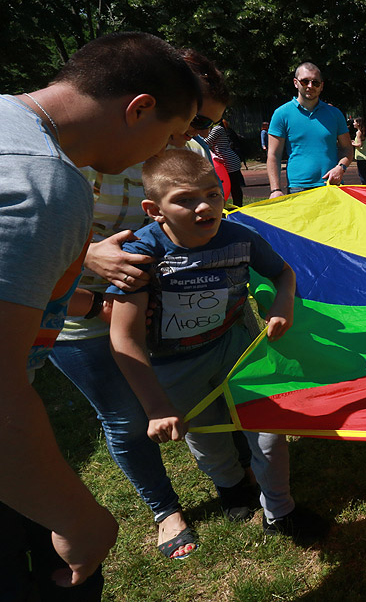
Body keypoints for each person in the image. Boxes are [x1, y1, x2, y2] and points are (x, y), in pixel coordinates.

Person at [0, 32, 200, 597]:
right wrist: (81, 521)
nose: (159, 155)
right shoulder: (44, 183)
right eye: (167, 135)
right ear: (138, 109)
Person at [48, 49, 232, 563]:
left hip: (150, 311)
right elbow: (25, 245)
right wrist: (88, 259)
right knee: (126, 417)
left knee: (176, 393)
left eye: (206, 126)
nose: (193, 137)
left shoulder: (174, 150)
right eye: (191, 120)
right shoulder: (74, 153)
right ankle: (165, 509)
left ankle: (222, 463)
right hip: (76, 316)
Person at [107, 149, 326, 541]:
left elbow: (283, 273)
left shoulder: (240, 238)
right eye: (185, 199)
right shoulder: (142, 255)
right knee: (206, 435)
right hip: (176, 366)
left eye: (212, 194)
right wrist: (156, 405)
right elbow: (124, 334)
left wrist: (283, 302)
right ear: (154, 209)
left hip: (237, 350)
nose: (204, 207)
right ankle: (230, 487)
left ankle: (280, 509)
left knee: (268, 430)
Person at [267, 62, 353, 198]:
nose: (310, 86)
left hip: (332, 187)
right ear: (296, 83)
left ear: (322, 86)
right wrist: (275, 189)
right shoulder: (281, 114)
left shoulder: (335, 114)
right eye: (305, 81)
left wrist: (341, 168)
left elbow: (347, 148)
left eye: (315, 83)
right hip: (298, 189)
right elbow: (273, 155)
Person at [207, 118, 245, 206]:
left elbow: (207, 142)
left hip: (228, 160)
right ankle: (238, 205)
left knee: (234, 185)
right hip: (227, 159)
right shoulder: (218, 128)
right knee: (234, 185)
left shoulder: (217, 129)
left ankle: (238, 205)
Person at [351, 116, 366, 185]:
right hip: (365, 155)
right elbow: (365, 143)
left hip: (361, 156)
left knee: (361, 173)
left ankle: (364, 185)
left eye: (354, 122)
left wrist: (352, 144)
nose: (353, 124)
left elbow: (359, 144)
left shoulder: (358, 133)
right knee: (364, 172)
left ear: (358, 123)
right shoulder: (363, 131)